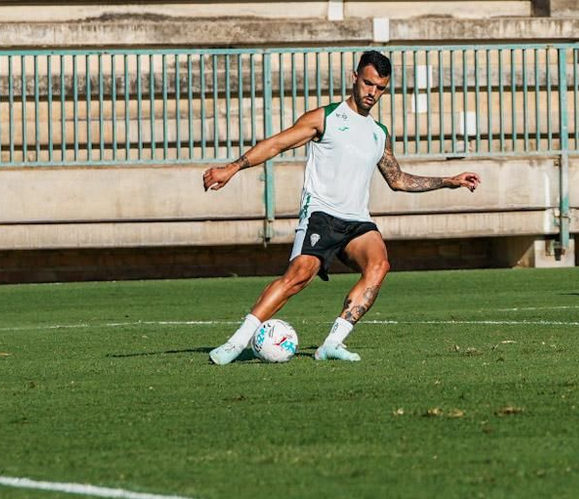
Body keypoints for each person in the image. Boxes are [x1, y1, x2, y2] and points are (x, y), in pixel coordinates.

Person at [202, 51, 480, 364]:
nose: (372, 92)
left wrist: (448, 181)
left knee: (379, 265)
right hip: (321, 214)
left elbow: (398, 179)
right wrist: (232, 168)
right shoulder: (325, 118)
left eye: (380, 88)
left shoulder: (379, 134)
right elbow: (277, 143)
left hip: (356, 221)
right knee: (299, 276)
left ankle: (332, 343)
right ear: (354, 77)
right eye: (368, 83)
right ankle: (236, 343)